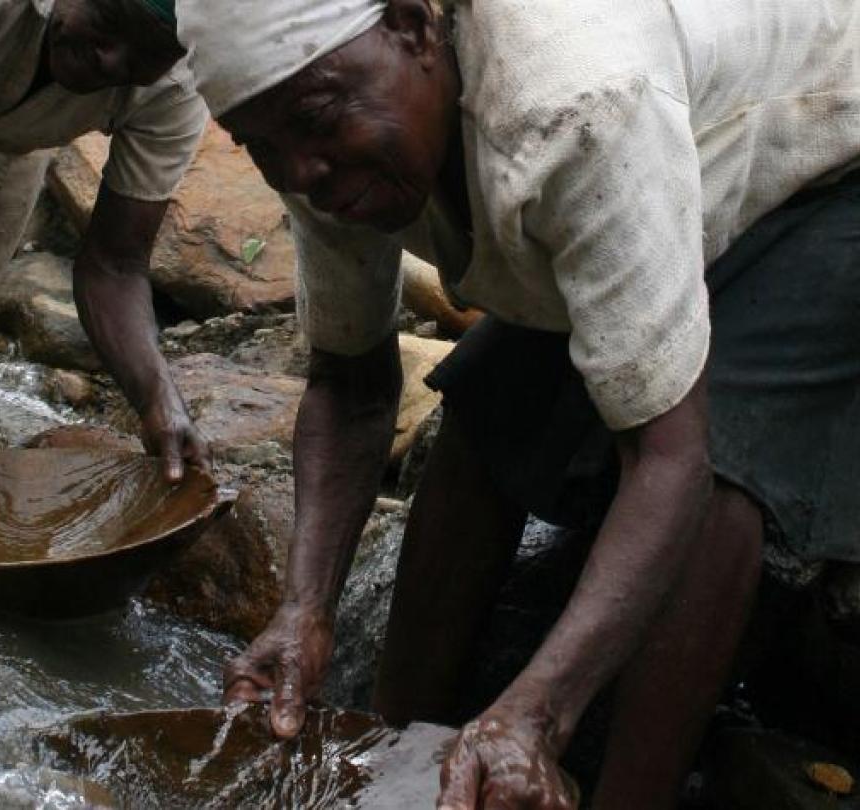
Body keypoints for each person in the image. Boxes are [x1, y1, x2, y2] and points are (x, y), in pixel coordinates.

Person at [177, 0, 860, 807]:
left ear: (412, 28)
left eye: (316, 123)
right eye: (261, 149)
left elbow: (667, 458)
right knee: (483, 405)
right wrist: (304, 612)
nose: (303, 173)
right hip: (658, 153)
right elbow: (351, 385)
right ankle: (385, 757)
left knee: (724, 479)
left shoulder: (576, 105)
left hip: (828, 169)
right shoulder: (318, 136)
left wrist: (539, 714)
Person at [0, 0, 211, 479]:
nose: (111, 60)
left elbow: (115, 266)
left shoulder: (176, 88)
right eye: (107, 25)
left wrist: (156, 397)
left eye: (141, 57)